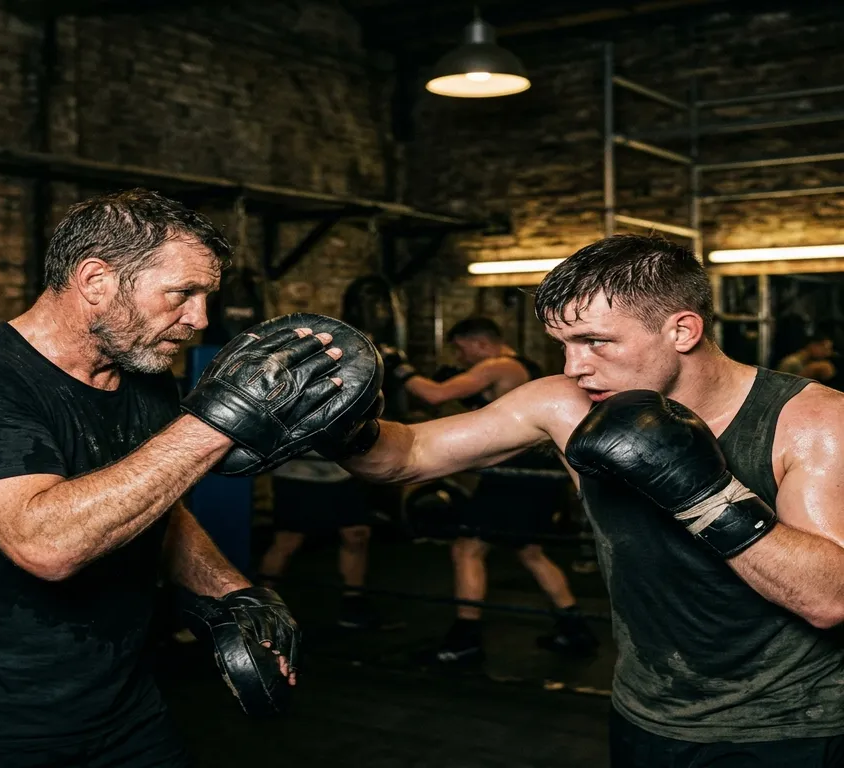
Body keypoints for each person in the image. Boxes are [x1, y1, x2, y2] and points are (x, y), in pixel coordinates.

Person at [0, 189, 363, 767]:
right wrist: (220, 420)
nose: (198, 320)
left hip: (119, 709)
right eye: (182, 294)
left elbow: (154, 508)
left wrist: (230, 591)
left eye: (205, 297)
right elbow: (45, 542)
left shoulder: (146, 379)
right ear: (96, 280)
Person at [331, 234, 844, 767]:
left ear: (683, 330)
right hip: (643, 714)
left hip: (788, 728)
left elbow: (830, 599)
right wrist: (342, 426)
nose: (575, 366)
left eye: (595, 341)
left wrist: (704, 493)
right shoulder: (565, 403)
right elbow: (407, 454)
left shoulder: (810, 422)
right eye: (564, 344)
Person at [381, 317, 597, 662]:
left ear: (480, 343)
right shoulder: (523, 366)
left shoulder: (498, 366)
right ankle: (575, 629)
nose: (461, 356)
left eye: (461, 348)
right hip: (532, 472)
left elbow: (434, 395)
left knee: (467, 549)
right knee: (530, 551)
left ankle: (466, 635)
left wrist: (398, 367)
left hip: (513, 476)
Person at [259, 453, 383, 629]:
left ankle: (353, 602)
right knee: (288, 541)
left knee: (357, 535)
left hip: (344, 471)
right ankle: (261, 605)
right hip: (296, 474)